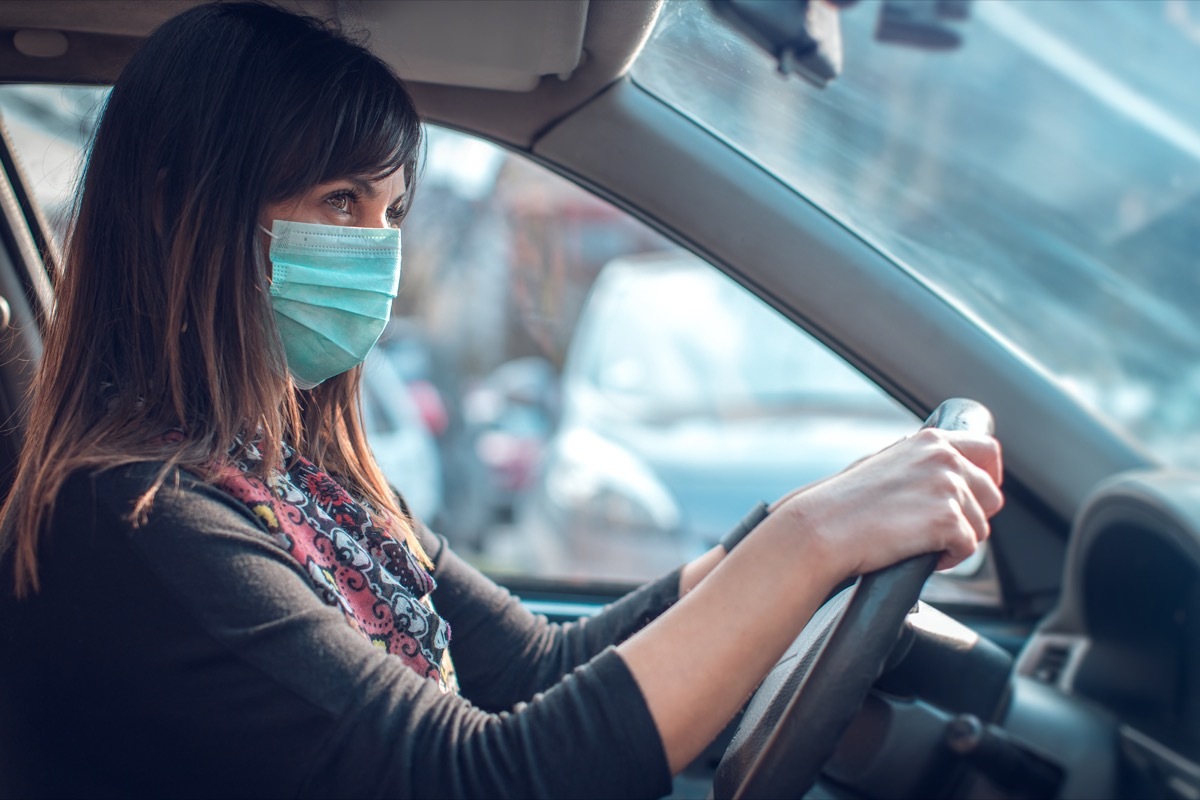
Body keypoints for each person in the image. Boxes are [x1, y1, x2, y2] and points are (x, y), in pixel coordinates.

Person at [0, 3, 1004, 798]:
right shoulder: (133, 520)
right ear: (177, 204)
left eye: (391, 210)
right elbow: (475, 778)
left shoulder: (298, 479)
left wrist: (791, 523)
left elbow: (538, 665)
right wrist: (810, 544)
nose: (379, 250)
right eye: (341, 202)